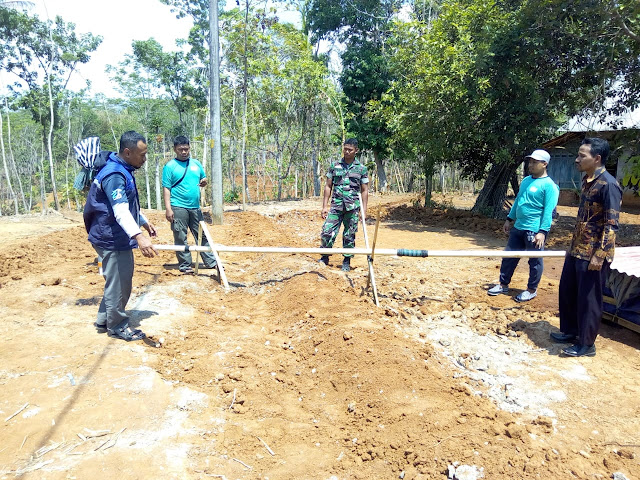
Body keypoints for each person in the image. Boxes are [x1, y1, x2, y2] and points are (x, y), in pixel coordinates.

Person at [83, 131, 158, 342]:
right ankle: (117, 326)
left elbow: (127, 204)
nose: (144, 159)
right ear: (127, 152)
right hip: (112, 237)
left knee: (114, 281)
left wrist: (142, 220)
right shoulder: (114, 175)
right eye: (142, 155)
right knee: (120, 283)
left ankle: (103, 319)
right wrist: (139, 236)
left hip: (112, 234)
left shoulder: (122, 169)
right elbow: (120, 210)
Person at [551, 137, 622, 357]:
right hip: (577, 249)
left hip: (593, 253)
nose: (577, 159)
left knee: (589, 299)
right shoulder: (587, 180)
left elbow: (612, 225)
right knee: (569, 291)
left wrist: (600, 255)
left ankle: (587, 343)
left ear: (597, 158)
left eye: (582, 155)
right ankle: (572, 331)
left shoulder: (608, 185)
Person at [488, 149, 560, 302]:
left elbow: (549, 211)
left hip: (534, 230)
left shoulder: (550, 186)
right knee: (509, 256)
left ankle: (531, 289)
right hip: (518, 227)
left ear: (544, 164)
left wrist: (542, 231)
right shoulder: (527, 180)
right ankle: (503, 284)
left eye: (535, 162)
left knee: (534, 260)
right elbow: (518, 202)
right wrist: (509, 219)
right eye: (530, 161)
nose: (530, 165)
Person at [162, 135, 217, 274]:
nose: (184, 152)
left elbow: (203, 177)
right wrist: (168, 208)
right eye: (180, 149)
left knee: (201, 234)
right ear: (175, 149)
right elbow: (166, 188)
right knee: (180, 235)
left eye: (186, 149)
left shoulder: (196, 164)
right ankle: (185, 264)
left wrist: (204, 181)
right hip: (178, 206)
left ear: (189, 148)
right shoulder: (170, 166)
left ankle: (210, 262)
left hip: (195, 207)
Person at [319, 138, 369, 272]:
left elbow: (364, 190)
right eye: (345, 149)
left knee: (349, 234)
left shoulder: (361, 169)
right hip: (336, 206)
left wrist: (364, 209)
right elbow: (328, 186)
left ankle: (346, 260)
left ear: (356, 151)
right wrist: (325, 206)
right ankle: (324, 256)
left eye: (350, 150)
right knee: (327, 232)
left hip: (352, 207)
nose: (346, 152)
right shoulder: (335, 166)